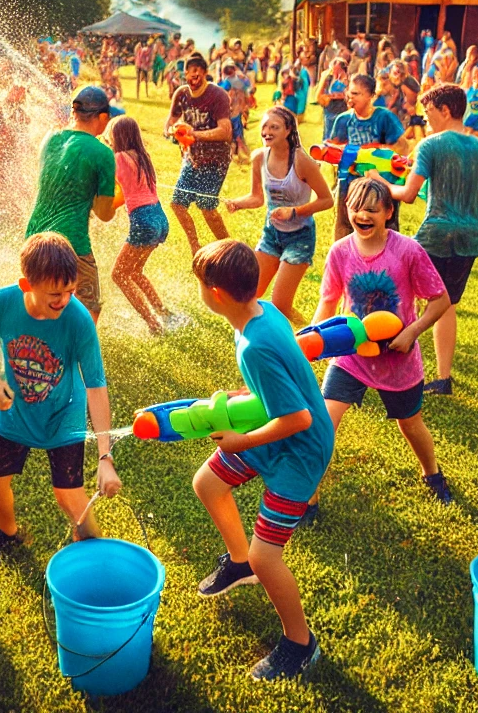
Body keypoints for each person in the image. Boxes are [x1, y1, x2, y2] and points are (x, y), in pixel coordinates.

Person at [190, 239, 333, 680]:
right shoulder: (262, 311)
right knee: (208, 484)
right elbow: (283, 383)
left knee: (268, 556)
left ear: (216, 294)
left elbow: (298, 417)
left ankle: (300, 643)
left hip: (300, 449)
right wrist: (244, 397)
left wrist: (239, 440)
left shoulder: (255, 343)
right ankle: (240, 564)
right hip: (275, 425)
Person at [305, 176, 452, 525]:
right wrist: (310, 342)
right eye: (356, 208)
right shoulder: (340, 251)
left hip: (398, 360)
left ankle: (432, 473)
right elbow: (327, 302)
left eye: (372, 209)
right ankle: (307, 499)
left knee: (410, 424)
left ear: (389, 211)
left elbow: (440, 299)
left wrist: (413, 332)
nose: (362, 215)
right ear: (347, 210)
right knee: (324, 423)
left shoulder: (408, 251)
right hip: (351, 355)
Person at [0, 232, 121, 568]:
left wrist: (105, 456)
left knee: (68, 496)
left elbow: (96, 385)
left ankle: (96, 555)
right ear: (27, 285)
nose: (65, 300)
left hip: (63, 414)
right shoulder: (2, 302)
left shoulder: (78, 320)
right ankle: (8, 534)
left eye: (70, 291)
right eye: (56, 293)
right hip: (15, 413)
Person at [374, 84, 478, 395]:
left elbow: (406, 195)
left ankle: (390, 365)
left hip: (434, 236)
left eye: (429, 112)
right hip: (470, 239)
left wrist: (380, 182)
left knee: (402, 294)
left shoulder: (430, 145)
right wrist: (471, 199)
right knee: (445, 304)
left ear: (445, 110)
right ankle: (443, 379)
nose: (425, 118)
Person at [225, 107, 332, 324]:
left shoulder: (302, 161)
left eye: (274, 127)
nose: (266, 131)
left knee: (280, 305)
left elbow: (327, 200)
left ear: (288, 130)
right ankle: (257, 338)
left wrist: (293, 211)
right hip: (271, 234)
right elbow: (257, 198)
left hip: (299, 237)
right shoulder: (259, 158)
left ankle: (310, 337)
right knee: (249, 293)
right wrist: (238, 203)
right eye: (264, 126)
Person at [26, 86, 117, 323]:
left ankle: (38, 351)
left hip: (35, 236)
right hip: (72, 242)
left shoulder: (50, 139)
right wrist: (121, 194)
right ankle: (77, 357)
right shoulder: (102, 153)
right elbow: (104, 213)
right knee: (90, 305)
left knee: (40, 301)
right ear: (103, 117)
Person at [106, 116, 177, 334]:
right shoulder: (143, 157)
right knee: (135, 271)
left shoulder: (118, 158)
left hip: (144, 220)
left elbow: (105, 182)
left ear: (118, 137)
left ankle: (153, 324)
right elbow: (129, 193)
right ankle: (163, 313)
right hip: (159, 218)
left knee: (118, 275)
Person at [165, 53, 232, 256]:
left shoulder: (218, 95)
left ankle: (230, 249)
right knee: (177, 204)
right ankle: (195, 247)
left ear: (204, 73)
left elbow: (226, 131)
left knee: (207, 207)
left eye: (197, 75)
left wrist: (194, 134)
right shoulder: (181, 94)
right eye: (189, 76)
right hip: (192, 159)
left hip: (216, 159)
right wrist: (174, 132)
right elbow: (169, 122)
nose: (193, 80)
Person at [328, 74, 409, 240]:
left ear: (371, 96)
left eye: (357, 93)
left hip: (380, 182)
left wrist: (375, 152)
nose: (350, 97)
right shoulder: (343, 120)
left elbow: (402, 146)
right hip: (350, 182)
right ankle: (343, 259)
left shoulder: (383, 117)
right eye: (349, 93)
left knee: (387, 224)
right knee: (345, 224)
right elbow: (333, 148)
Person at [316, 58, 348, 141]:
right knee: (328, 132)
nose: (333, 69)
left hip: (341, 109)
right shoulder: (329, 78)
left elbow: (348, 94)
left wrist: (337, 96)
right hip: (329, 109)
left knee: (339, 134)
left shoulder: (347, 79)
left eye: (336, 67)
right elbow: (321, 93)